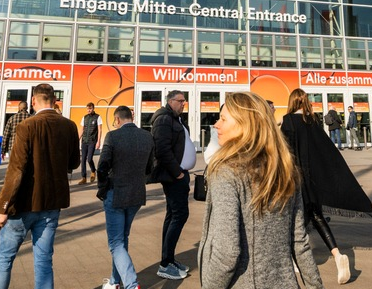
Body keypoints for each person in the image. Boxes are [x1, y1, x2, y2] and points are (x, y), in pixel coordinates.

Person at [201, 91, 325, 289]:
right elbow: (299, 242)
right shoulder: (285, 171)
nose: (216, 124)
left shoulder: (226, 172)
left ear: (244, 125)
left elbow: (226, 253)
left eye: (223, 119)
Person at [0, 84, 79, 289]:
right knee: (44, 260)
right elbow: (74, 163)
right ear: (55, 101)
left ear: (33, 101)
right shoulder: (70, 126)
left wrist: (1, 208)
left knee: (4, 258)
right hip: (51, 203)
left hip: (23, 205)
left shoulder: (26, 126)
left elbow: (16, 170)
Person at [282, 88, 372, 284]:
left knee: (292, 220)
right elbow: (325, 151)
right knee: (317, 217)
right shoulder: (312, 122)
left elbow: (284, 151)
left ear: (292, 102)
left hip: (296, 180)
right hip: (313, 181)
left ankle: (295, 261)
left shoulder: (288, 121)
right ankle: (338, 255)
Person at [96, 105, 154, 289]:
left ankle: (131, 284)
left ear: (118, 119)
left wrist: (102, 188)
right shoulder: (147, 137)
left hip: (116, 193)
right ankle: (115, 281)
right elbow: (150, 168)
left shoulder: (113, 136)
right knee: (122, 238)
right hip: (136, 195)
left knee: (115, 242)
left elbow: (103, 165)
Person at [149, 89, 195, 280]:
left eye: (185, 101)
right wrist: (177, 172)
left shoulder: (175, 119)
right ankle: (166, 264)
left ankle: (168, 259)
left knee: (173, 215)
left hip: (179, 175)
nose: (183, 104)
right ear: (170, 101)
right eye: (180, 101)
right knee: (179, 214)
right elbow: (162, 149)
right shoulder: (164, 119)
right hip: (173, 176)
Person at [79, 102, 102, 185]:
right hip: (84, 141)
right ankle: (84, 177)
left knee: (89, 159)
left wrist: (98, 141)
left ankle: (93, 171)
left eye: (90, 108)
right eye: (88, 109)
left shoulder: (97, 117)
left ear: (93, 108)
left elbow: (99, 130)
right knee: (83, 159)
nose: (89, 110)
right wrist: (77, 139)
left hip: (92, 141)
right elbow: (82, 129)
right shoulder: (84, 118)